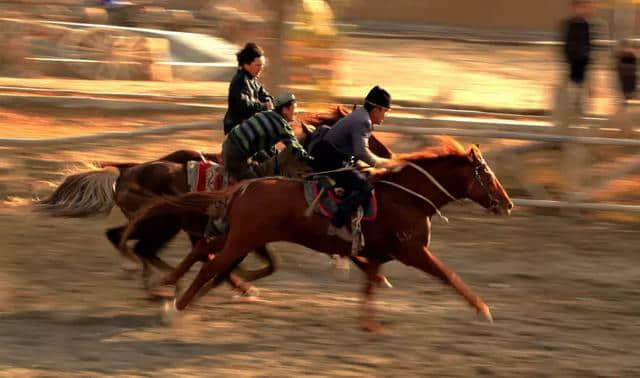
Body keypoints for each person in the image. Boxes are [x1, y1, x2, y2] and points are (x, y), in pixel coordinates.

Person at [308, 86, 400, 242]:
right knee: (365, 187)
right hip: (330, 159)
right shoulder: (363, 121)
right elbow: (361, 152)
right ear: (376, 109)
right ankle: (337, 225)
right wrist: (385, 163)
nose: (384, 116)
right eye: (385, 111)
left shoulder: (361, 115)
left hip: (333, 155)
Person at [222, 93, 310, 181]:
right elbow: (295, 148)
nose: (296, 112)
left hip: (229, 144)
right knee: (257, 185)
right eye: (294, 108)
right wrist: (311, 160)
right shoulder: (282, 125)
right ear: (284, 110)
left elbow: (266, 144)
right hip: (236, 155)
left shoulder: (267, 113)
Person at [223, 43, 273, 135]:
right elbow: (244, 105)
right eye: (258, 65)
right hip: (237, 128)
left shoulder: (253, 79)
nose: (261, 68)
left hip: (248, 125)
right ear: (246, 64)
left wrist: (271, 102)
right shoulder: (240, 80)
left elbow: (265, 95)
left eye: (262, 65)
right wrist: (263, 106)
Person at [562, 0, 594, 118]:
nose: (582, 10)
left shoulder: (586, 24)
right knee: (573, 85)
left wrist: (587, 56)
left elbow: (588, 43)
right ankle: (572, 108)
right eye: (579, 7)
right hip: (573, 60)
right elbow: (567, 42)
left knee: (581, 86)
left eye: (584, 7)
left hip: (583, 60)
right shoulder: (569, 24)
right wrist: (569, 56)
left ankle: (579, 108)